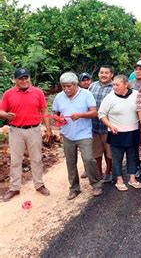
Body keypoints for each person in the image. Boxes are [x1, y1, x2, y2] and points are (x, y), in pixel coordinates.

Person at [1, 68, 52, 202]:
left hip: (34, 130)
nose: (24, 81)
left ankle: (39, 185)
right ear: (15, 80)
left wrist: (48, 128)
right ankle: (14, 187)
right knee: (16, 161)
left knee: (36, 159)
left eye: (26, 77)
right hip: (15, 131)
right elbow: (1, 110)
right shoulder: (8, 94)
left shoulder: (38, 92)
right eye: (21, 78)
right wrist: (5, 115)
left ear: (29, 78)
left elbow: (44, 109)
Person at [52, 72, 103, 200]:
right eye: (64, 86)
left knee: (88, 159)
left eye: (69, 86)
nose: (66, 89)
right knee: (70, 162)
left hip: (84, 133)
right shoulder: (59, 97)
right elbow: (55, 114)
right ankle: (74, 188)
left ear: (75, 85)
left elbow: (94, 113)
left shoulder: (86, 94)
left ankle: (96, 184)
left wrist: (80, 115)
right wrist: (59, 119)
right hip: (67, 134)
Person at [98, 75, 141, 192]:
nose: (114, 87)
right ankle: (119, 180)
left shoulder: (136, 94)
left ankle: (132, 179)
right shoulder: (109, 98)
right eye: (113, 85)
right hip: (116, 133)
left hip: (133, 131)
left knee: (133, 156)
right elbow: (101, 114)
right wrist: (110, 125)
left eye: (117, 85)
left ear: (126, 85)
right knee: (117, 158)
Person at [88, 65, 114, 182]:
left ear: (111, 75)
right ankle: (99, 172)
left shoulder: (114, 87)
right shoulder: (92, 86)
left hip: (108, 126)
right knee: (96, 151)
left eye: (106, 73)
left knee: (109, 152)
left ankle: (108, 172)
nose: (103, 75)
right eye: (101, 72)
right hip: (94, 126)